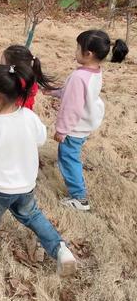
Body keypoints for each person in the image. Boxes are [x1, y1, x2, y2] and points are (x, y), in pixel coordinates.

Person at [0, 64, 77, 277]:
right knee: (33, 215)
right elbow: (41, 138)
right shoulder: (29, 116)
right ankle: (60, 248)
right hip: (25, 185)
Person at [45, 30, 128, 211]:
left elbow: (72, 107)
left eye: (78, 48)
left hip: (74, 127)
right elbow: (75, 94)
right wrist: (53, 91)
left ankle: (79, 198)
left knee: (69, 158)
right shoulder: (93, 72)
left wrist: (62, 130)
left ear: (88, 53)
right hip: (84, 124)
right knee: (69, 154)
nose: (75, 51)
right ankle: (68, 167)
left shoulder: (78, 77)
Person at [1, 45, 57, 110]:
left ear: (12, 67)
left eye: (3, 64)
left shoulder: (16, 83)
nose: (0, 67)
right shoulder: (29, 78)